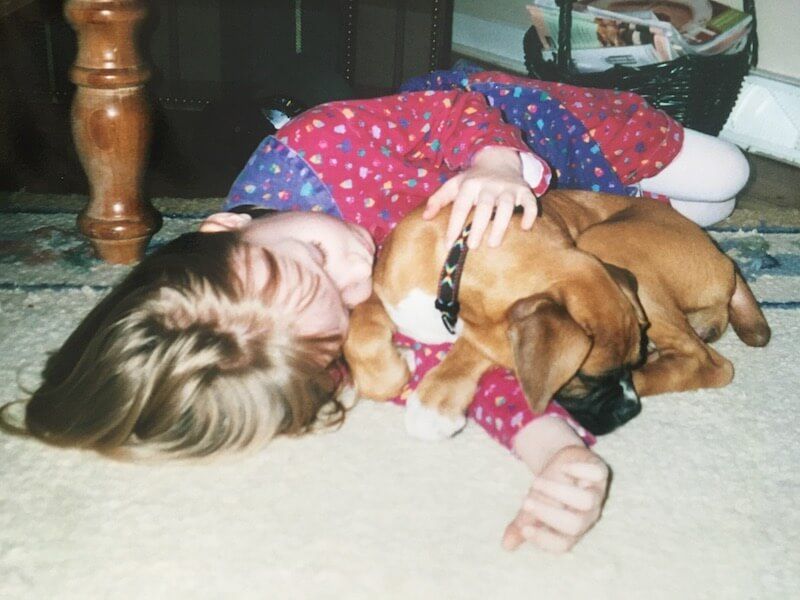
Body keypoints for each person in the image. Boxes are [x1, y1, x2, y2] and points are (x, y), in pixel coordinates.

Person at [2, 70, 750, 554]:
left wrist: (493, 163)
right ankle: (663, 216)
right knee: (697, 215)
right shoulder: (322, 312)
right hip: (578, 227)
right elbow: (460, 366)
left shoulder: (315, 147)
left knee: (727, 175)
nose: (354, 270)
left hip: (535, 131)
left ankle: (660, 185)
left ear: (227, 228)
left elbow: (450, 112)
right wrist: (556, 454)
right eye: (341, 305)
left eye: (314, 256)